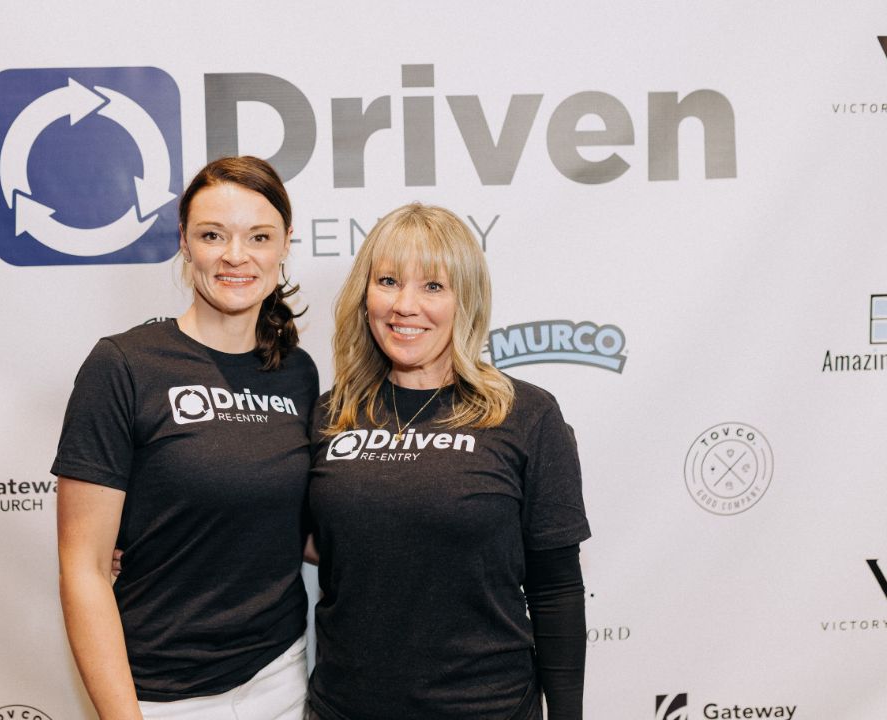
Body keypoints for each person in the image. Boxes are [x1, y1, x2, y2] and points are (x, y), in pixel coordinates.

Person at [54, 156, 318, 720]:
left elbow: (300, 529)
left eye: (259, 236)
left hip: (281, 678)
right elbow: (84, 568)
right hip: (160, 696)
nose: (235, 256)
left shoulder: (298, 372)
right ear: (184, 242)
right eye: (212, 235)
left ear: (285, 244)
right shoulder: (123, 366)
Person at [306, 203, 591, 720]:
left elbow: (556, 588)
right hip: (345, 708)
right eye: (388, 280)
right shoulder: (331, 413)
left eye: (433, 287)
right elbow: (275, 530)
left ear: (467, 300)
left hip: (487, 708)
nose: (405, 306)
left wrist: (567, 714)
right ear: (364, 293)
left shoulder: (525, 414)